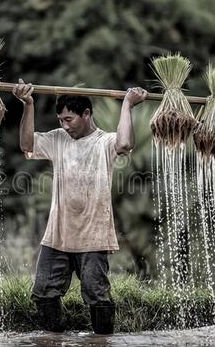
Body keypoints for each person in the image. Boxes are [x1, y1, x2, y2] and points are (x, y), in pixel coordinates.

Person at [13, 79, 147, 334]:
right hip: (58, 235)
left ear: (86, 114)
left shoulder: (104, 142)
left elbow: (125, 143)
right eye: (61, 119)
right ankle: (54, 343)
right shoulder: (58, 139)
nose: (64, 125)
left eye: (69, 119)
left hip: (93, 237)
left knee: (98, 297)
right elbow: (26, 145)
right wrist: (28, 104)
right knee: (43, 294)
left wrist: (128, 104)